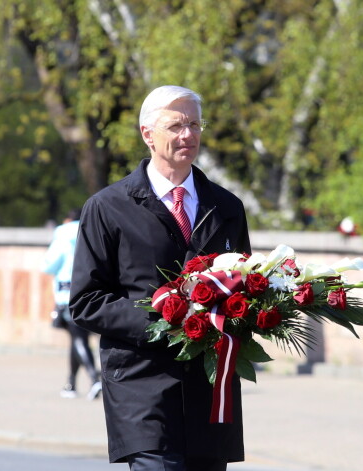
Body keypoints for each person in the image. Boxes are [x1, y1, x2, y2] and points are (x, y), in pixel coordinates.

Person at [69, 85, 251, 470]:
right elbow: (86, 301)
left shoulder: (228, 206)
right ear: (147, 134)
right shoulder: (107, 207)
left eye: (195, 124)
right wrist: (169, 319)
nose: (188, 135)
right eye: (176, 125)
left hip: (209, 395)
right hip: (142, 389)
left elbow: (244, 285)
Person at [43, 208, 102, 400]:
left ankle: (94, 379)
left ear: (67, 219)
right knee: (78, 337)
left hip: (66, 293)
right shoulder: (93, 229)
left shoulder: (62, 235)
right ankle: (71, 384)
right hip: (91, 291)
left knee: (78, 338)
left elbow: (49, 265)